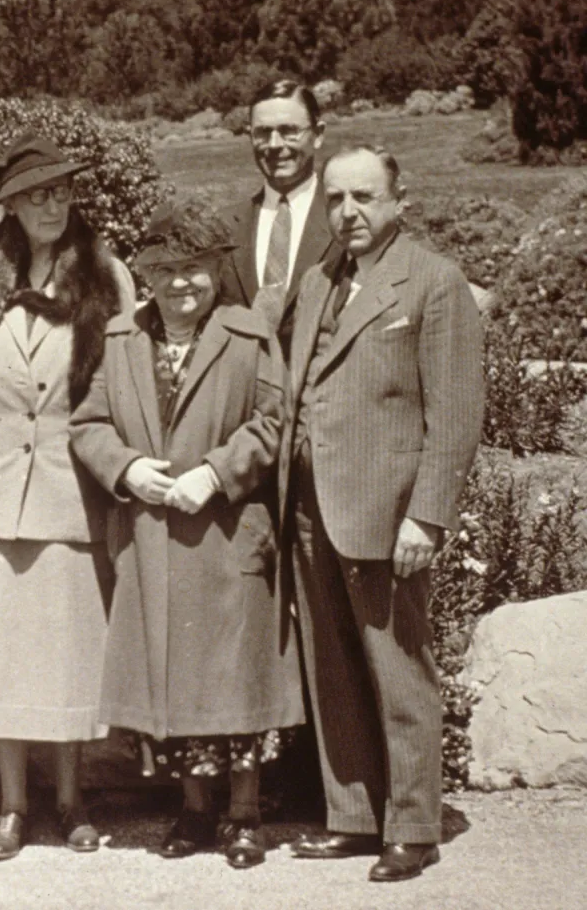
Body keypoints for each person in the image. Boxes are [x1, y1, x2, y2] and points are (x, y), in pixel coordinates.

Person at [70, 198, 304, 869]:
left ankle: (245, 814)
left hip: (227, 533)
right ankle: (196, 810)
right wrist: (127, 468)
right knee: (174, 681)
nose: (181, 284)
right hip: (152, 535)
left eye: (195, 268)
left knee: (233, 679)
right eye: (166, 269)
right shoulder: (120, 338)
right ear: (144, 271)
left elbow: (272, 420)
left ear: (215, 269)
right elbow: (88, 424)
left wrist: (216, 471)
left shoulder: (247, 333)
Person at [280, 145, 484, 882]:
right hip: (311, 511)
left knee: (398, 671)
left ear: (401, 199)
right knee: (331, 669)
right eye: (335, 199)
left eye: (364, 197)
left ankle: (413, 824)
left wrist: (426, 516)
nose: (348, 213)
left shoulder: (432, 282)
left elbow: (456, 413)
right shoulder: (318, 281)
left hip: (385, 510)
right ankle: (354, 814)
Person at [0, 133, 135, 861]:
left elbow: (127, 387)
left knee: (69, 657)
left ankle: (72, 800)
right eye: (35, 192)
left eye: (60, 190)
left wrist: (128, 474)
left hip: (71, 494)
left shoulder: (106, 274)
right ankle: (14, 805)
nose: (51, 203)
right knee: (6, 658)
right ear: (10, 203)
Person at [221, 79, 336, 360]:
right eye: (262, 133)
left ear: (318, 135)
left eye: (289, 131)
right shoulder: (225, 225)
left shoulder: (344, 219)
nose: (274, 145)